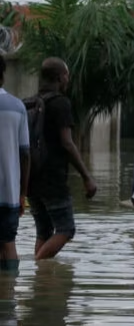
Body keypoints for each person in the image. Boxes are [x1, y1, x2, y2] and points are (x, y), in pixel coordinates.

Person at [26, 57, 97, 260]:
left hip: (31, 178)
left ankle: (41, 279)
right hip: (53, 178)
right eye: (67, 75)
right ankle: (38, 264)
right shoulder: (60, 103)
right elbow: (67, 143)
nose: (68, 80)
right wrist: (87, 177)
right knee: (66, 230)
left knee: (43, 231)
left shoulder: (29, 102)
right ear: (60, 77)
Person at [0, 55, 30, 272]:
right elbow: (25, 154)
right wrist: (22, 194)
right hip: (9, 193)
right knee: (9, 243)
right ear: (3, 76)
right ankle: (8, 298)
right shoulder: (17, 107)